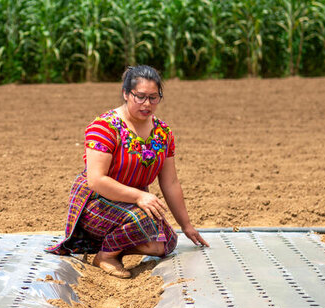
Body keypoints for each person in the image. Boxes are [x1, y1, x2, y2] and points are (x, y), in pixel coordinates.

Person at [47, 65, 209, 278]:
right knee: (144, 219)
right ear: (125, 93)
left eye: (153, 97)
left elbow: (170, 182)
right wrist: (140, 195)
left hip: (133, 204)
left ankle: (111, 245)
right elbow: (96, 180)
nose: (147, 104)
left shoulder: (163, 132)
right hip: (97, 201)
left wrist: (186, 225)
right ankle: (105, 256)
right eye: (140, 97)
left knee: (166, 242)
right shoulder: (104, 127)